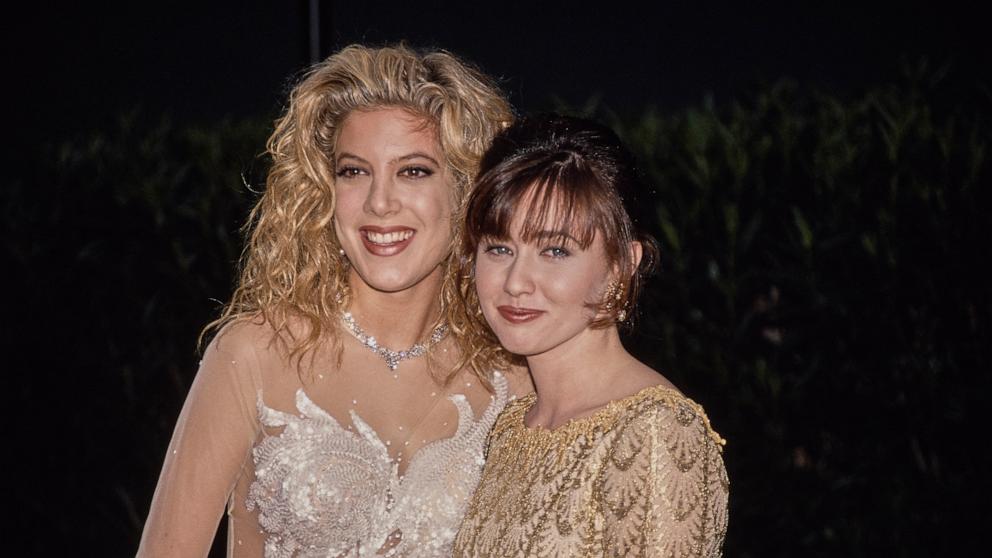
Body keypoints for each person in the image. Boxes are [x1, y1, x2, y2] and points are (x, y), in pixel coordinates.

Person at [137, 44, 523, 557]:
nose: (379, 202)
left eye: (413, 171)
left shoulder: (511, 376)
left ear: (466, 188)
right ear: (324, 189)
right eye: (353, 171)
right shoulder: (253, 354)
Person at [452, 114, 729, 557]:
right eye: (499, 248)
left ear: (620, 267)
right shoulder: (512, 425)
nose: (516, 281)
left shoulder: (655, 431)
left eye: (555, 250)